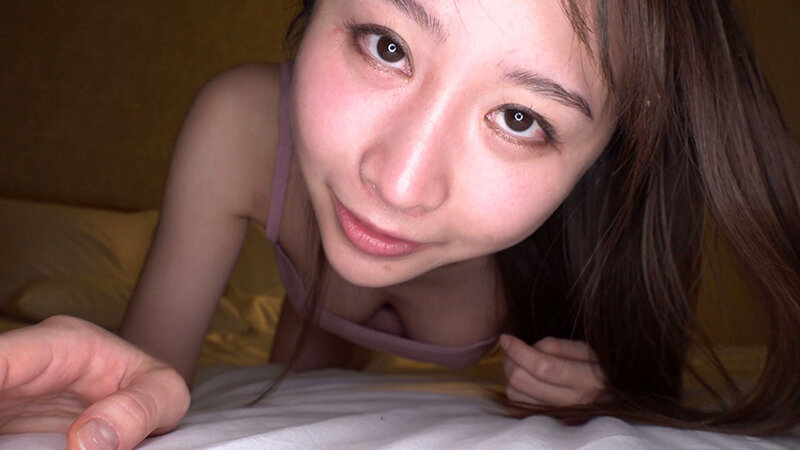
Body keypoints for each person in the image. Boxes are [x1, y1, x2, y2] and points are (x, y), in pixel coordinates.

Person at [0, 0, 798, 449]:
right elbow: (141, 375)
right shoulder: (240, 127)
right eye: (386, 46)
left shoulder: (589, 229)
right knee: (306, 369)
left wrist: (605, 390)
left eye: (520, 118)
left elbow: (634, 379)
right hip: (311, 316)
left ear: (598, 158)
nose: (399, 184)